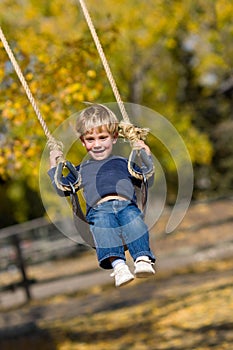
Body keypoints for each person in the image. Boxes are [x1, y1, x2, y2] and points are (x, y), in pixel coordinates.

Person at [48, 104, 156, 287]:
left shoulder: (123, 163)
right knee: (102, 227)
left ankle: (142, 259)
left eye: (102, 137)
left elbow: (146, 178)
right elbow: (63, 188)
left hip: (126, 206)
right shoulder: (80, 170)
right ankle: (119, 266)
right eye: (90, 139)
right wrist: (53, 166)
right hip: (99, 210)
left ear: (114, 137)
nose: (97, 144)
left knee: (135, 221)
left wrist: (146, 155)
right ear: (83, 141)